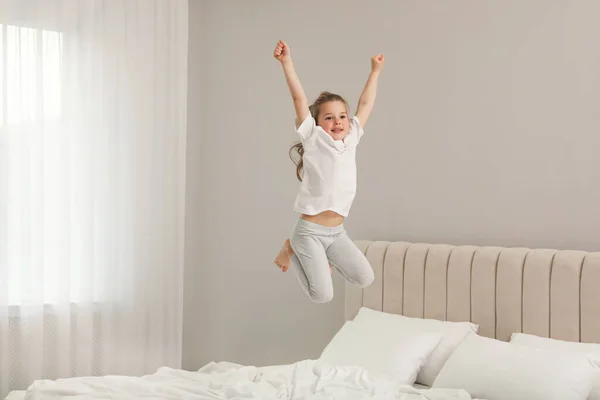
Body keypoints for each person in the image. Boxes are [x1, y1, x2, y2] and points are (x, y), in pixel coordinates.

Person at [272, 39, 384, 303]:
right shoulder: (313, 137)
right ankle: (292, 248)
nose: (338, 122)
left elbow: (365, 104)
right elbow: (298, 97)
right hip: (309, 231)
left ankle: (304, 251)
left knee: (365, 278)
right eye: (329, 117)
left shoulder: (352, 137)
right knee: (322, 296)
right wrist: (286, 62)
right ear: (317, 122)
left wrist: (375, 72)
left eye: (342, 116)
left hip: (337, 233)